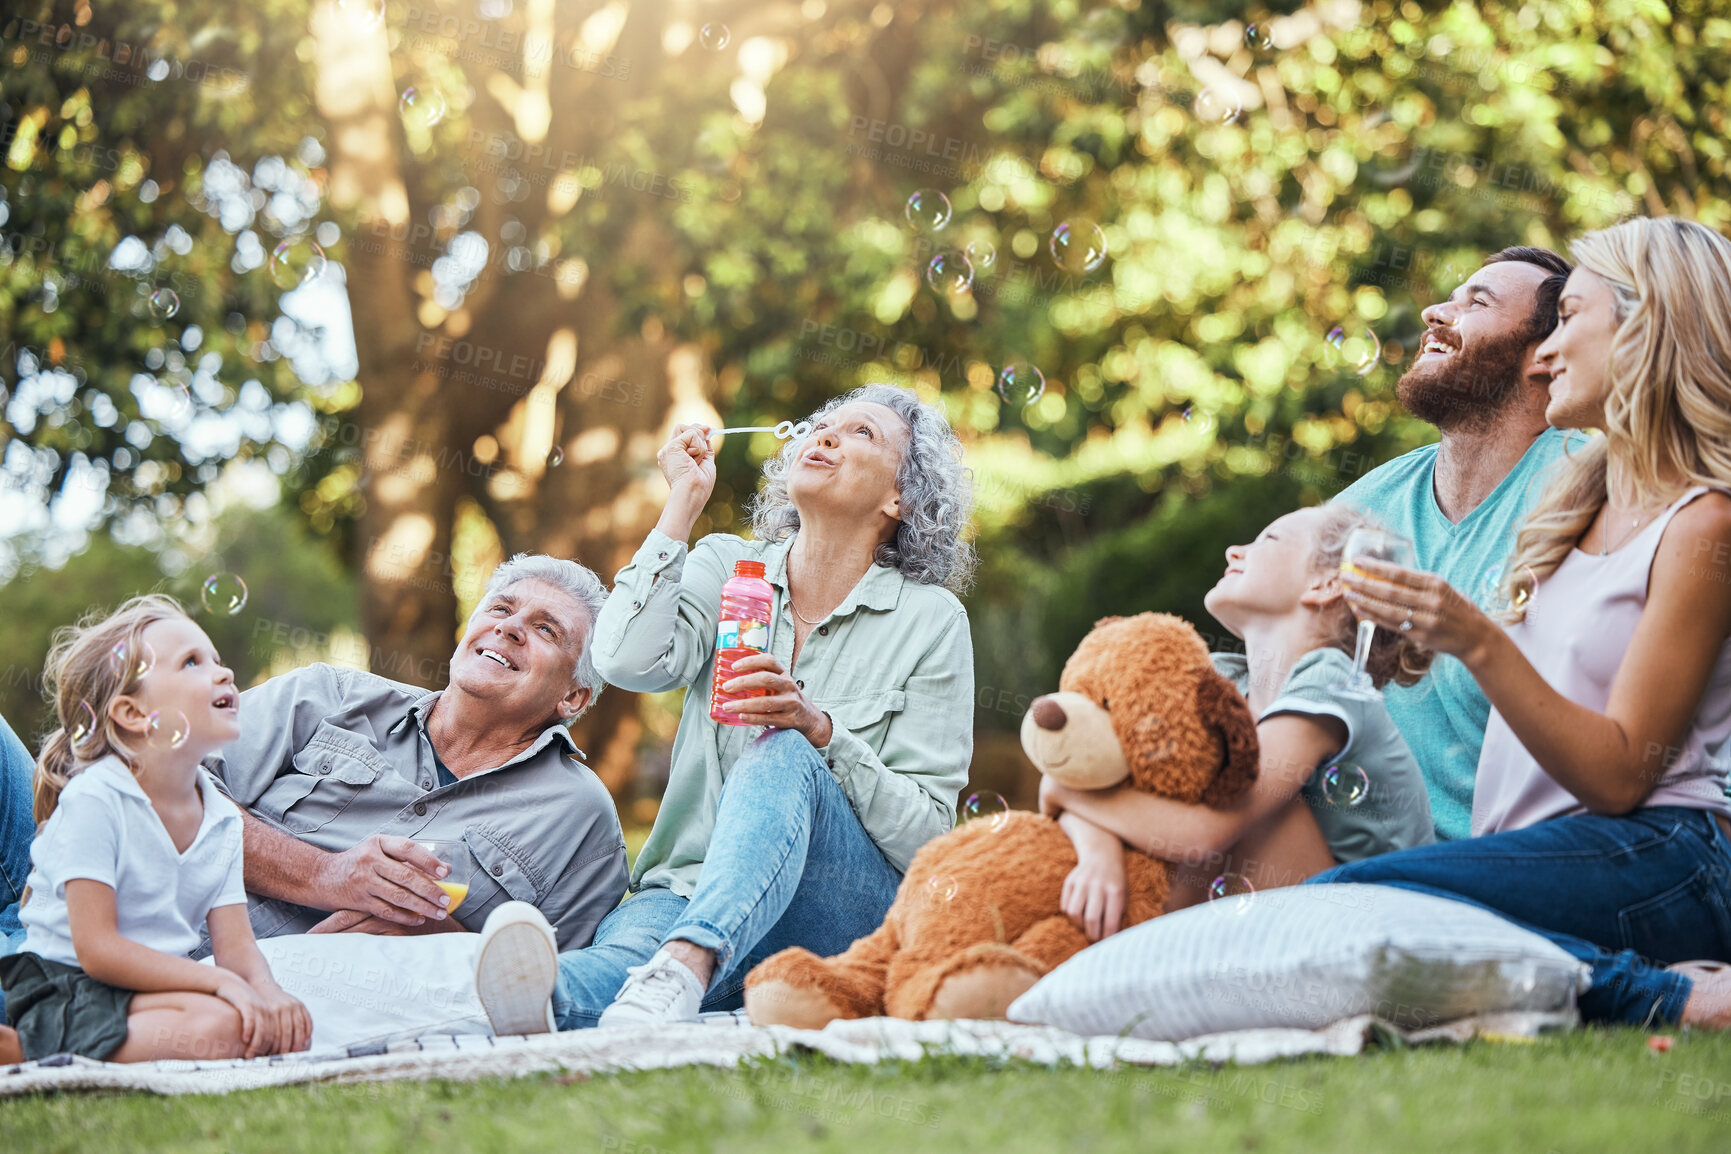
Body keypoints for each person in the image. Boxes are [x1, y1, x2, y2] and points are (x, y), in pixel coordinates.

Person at [469, 383, 977, 1032]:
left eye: (860, 434)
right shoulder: (725, 567)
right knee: (613, 972)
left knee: (785, 750)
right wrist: (681, 505)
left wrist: (819, 732)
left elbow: (931, 837)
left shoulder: (928, 620)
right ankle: (512, 999)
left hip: (836, 906)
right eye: (821, 424)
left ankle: (688, 962)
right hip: (686, 886)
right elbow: (622, 659)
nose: (823, 435)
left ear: (898, 498)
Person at [1326, 216, 1731, 1027]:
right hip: (1546, 850)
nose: (1544, 356)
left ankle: (1672, 998)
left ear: (1644, 328)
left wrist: (1473, 639)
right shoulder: (1576, 504)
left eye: (1568, 320)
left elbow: (1620, 776)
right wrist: (1415, 650)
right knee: (1337, 922)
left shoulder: (1704, 525)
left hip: (1663, 851)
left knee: (1342, 906)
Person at [1040, 503, 1435, 941]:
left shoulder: (1332, 679)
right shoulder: (1216, 680)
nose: (1233, 551)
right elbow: (1088, 772)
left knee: (1240, 791)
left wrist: (1065, 790)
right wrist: (1099, 853)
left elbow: (1203, 834)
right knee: (1172, 778)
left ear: (1327, 584)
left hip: (1363, 937)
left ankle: (1139, 951)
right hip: (1263, 933)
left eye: (1268, 539)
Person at [199, 554, 626, 954]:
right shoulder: (328, 694)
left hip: (343, 1023)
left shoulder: (583, 822)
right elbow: (166, 791)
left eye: (546, 629)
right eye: (500, 609)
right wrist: (322, 875)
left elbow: (552, 989)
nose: (510, 627)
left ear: (573, 696)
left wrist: (442, 943)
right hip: (163, 949)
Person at [0, 595, 310, 1064]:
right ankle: (26, 1046)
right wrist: (221, 983)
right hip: (64, 986)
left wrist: (270, 994)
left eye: (217, 661)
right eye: (191, 663)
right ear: (132, 714)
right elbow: (97, 949)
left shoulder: (222, 819)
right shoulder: (97, 799)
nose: (222, 673)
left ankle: (43, 1051)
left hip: (138, 988)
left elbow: (238, 951)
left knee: (243, 1020)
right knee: (225, 1022)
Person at [1335, 246, 1578, 841]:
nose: (1434, 313)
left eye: (1478, 302)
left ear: (1541, 357)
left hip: (1512, 863)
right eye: (1452, 294)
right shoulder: (1366, 506)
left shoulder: (1587, 490)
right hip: (1354, 857)